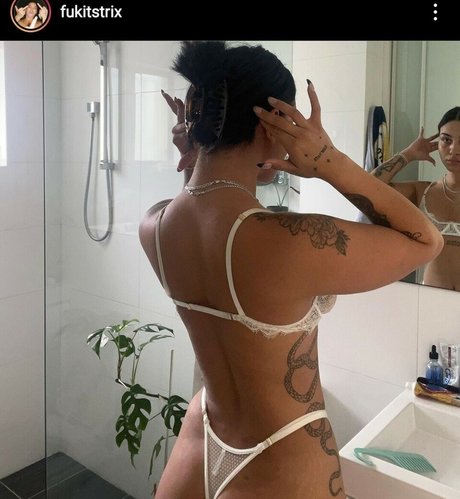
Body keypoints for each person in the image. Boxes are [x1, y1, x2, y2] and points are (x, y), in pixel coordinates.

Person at [139, 41, 443, 499]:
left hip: (200, 438)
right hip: (281, 453)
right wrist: (327, 160)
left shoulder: (155, 226)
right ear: (272, 126)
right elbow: (426, 241)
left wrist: (196, 151)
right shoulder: (286, 242)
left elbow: (200, 211)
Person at [369, 108, 460, 290]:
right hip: (429, 297)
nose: (454, 149)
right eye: (446, 140)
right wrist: (409, 154)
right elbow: (369, 187)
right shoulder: (422, 192)